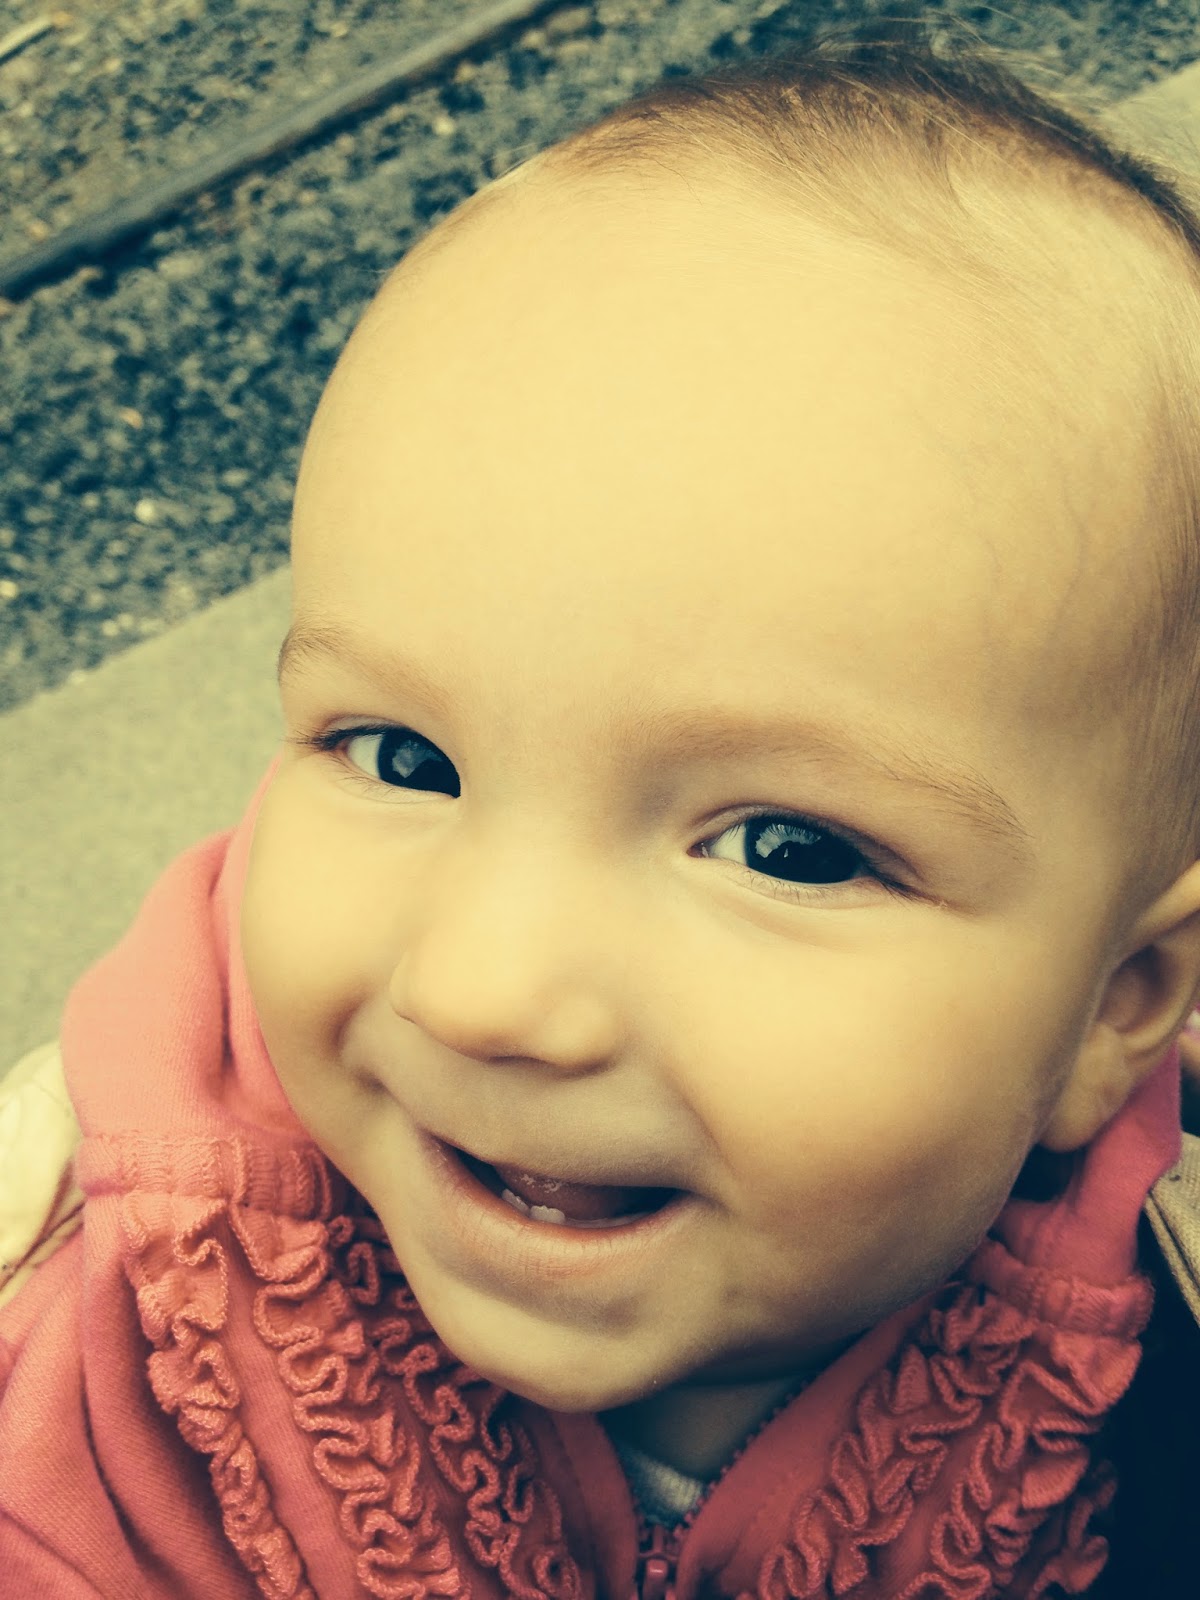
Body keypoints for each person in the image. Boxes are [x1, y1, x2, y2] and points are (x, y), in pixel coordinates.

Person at [2, 20, 1200, 1598]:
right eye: (402, 758)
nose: (484, 990)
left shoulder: (1154, 1310)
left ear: (1122, 1000)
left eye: (785, 850)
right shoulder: (110, 1391)